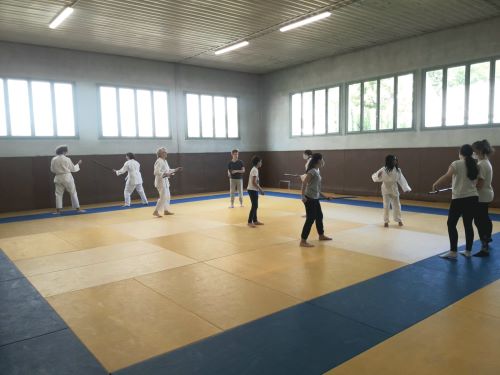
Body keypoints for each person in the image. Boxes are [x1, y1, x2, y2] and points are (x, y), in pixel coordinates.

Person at [432, 144, 483, 259]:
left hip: (459, 199)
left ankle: (453, 252)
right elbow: (476, 183)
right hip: (473, 198)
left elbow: (447, 176)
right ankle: (468, 251)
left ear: (461, 153)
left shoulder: (456, 163)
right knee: (468, 224)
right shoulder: (476, 165)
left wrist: (435, 184)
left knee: (451, 224)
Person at [300, 153, 332, 247]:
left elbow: (317, 188)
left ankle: (321, 235)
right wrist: (302, 196)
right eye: (322, 159)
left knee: (319, 216)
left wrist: (325, 196)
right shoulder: (312, 171)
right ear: (318, 160)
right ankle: (303, 241)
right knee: (310, 219)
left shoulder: (317, 171)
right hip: (309, 198)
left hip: (315, 198)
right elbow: (304, 183)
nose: (323, 161)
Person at [371, 155, 411, 227]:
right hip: (385, 189)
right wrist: (378, 176)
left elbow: (402, 180)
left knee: (397, 205)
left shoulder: (398, 170)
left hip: (394, 189)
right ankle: (386, 221)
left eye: (396, 160)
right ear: (389, 161)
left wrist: (406, 188)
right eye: (394, 160)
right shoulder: (383, 169)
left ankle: (399, 220)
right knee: (386, 205)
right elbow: (374, 177)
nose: (395, 161)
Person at [472, 140, 494, 257]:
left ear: (479, 150)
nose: (473, 152)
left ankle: (484, 247)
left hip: (481, 196)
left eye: (474, 150)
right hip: (487, 194)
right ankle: (488, 238)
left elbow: (479, 184)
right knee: (485, 218)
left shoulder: (481, 164)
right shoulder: (486, 162)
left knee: (479, 220)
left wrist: (468, 187)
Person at [50, 145, 85, 214]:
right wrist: (78, 164)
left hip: (58, 177)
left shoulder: (54, 159)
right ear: (63, 151)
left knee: (58, 194)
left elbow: (52, 170)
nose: (67, 152)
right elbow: (73, 169)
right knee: (73, 192)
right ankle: (78, 209)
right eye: (66, 151)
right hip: (67, 177)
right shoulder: (67, 159)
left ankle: (58, 211)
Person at [152, 147, 182, 218]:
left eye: (166, 152)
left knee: (167, 196)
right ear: (160, 154)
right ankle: (156, 211)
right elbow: (156, 172)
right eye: (164, 152)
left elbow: (167, 170)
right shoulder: (159, 161)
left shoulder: (164, 161)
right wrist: (165, 174)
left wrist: (175, 170)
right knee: (163, 197)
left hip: (165, 182)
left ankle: (166, 210)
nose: (166, 153)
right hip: (160, 182)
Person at [247, 155, 264, 228]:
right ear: (257, 162)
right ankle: (249, 221)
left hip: (254, 190)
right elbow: (254, 182)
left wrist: (258, 189)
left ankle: (255, 220)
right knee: (254, 205)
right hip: (252, 190)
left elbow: (255, 181)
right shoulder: (254, 170)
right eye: (260, 162)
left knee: (255, 206)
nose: (261, 163)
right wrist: (260, 189)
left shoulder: (255, 169)